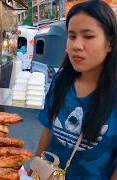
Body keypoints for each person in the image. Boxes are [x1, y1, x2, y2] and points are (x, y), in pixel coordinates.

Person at [29, 1, 117, 179]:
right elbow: (47, 131)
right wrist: (34, 171)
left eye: (88, 36)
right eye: (72, 36)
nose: (76, 45)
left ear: (110, 44)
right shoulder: (61, 81)